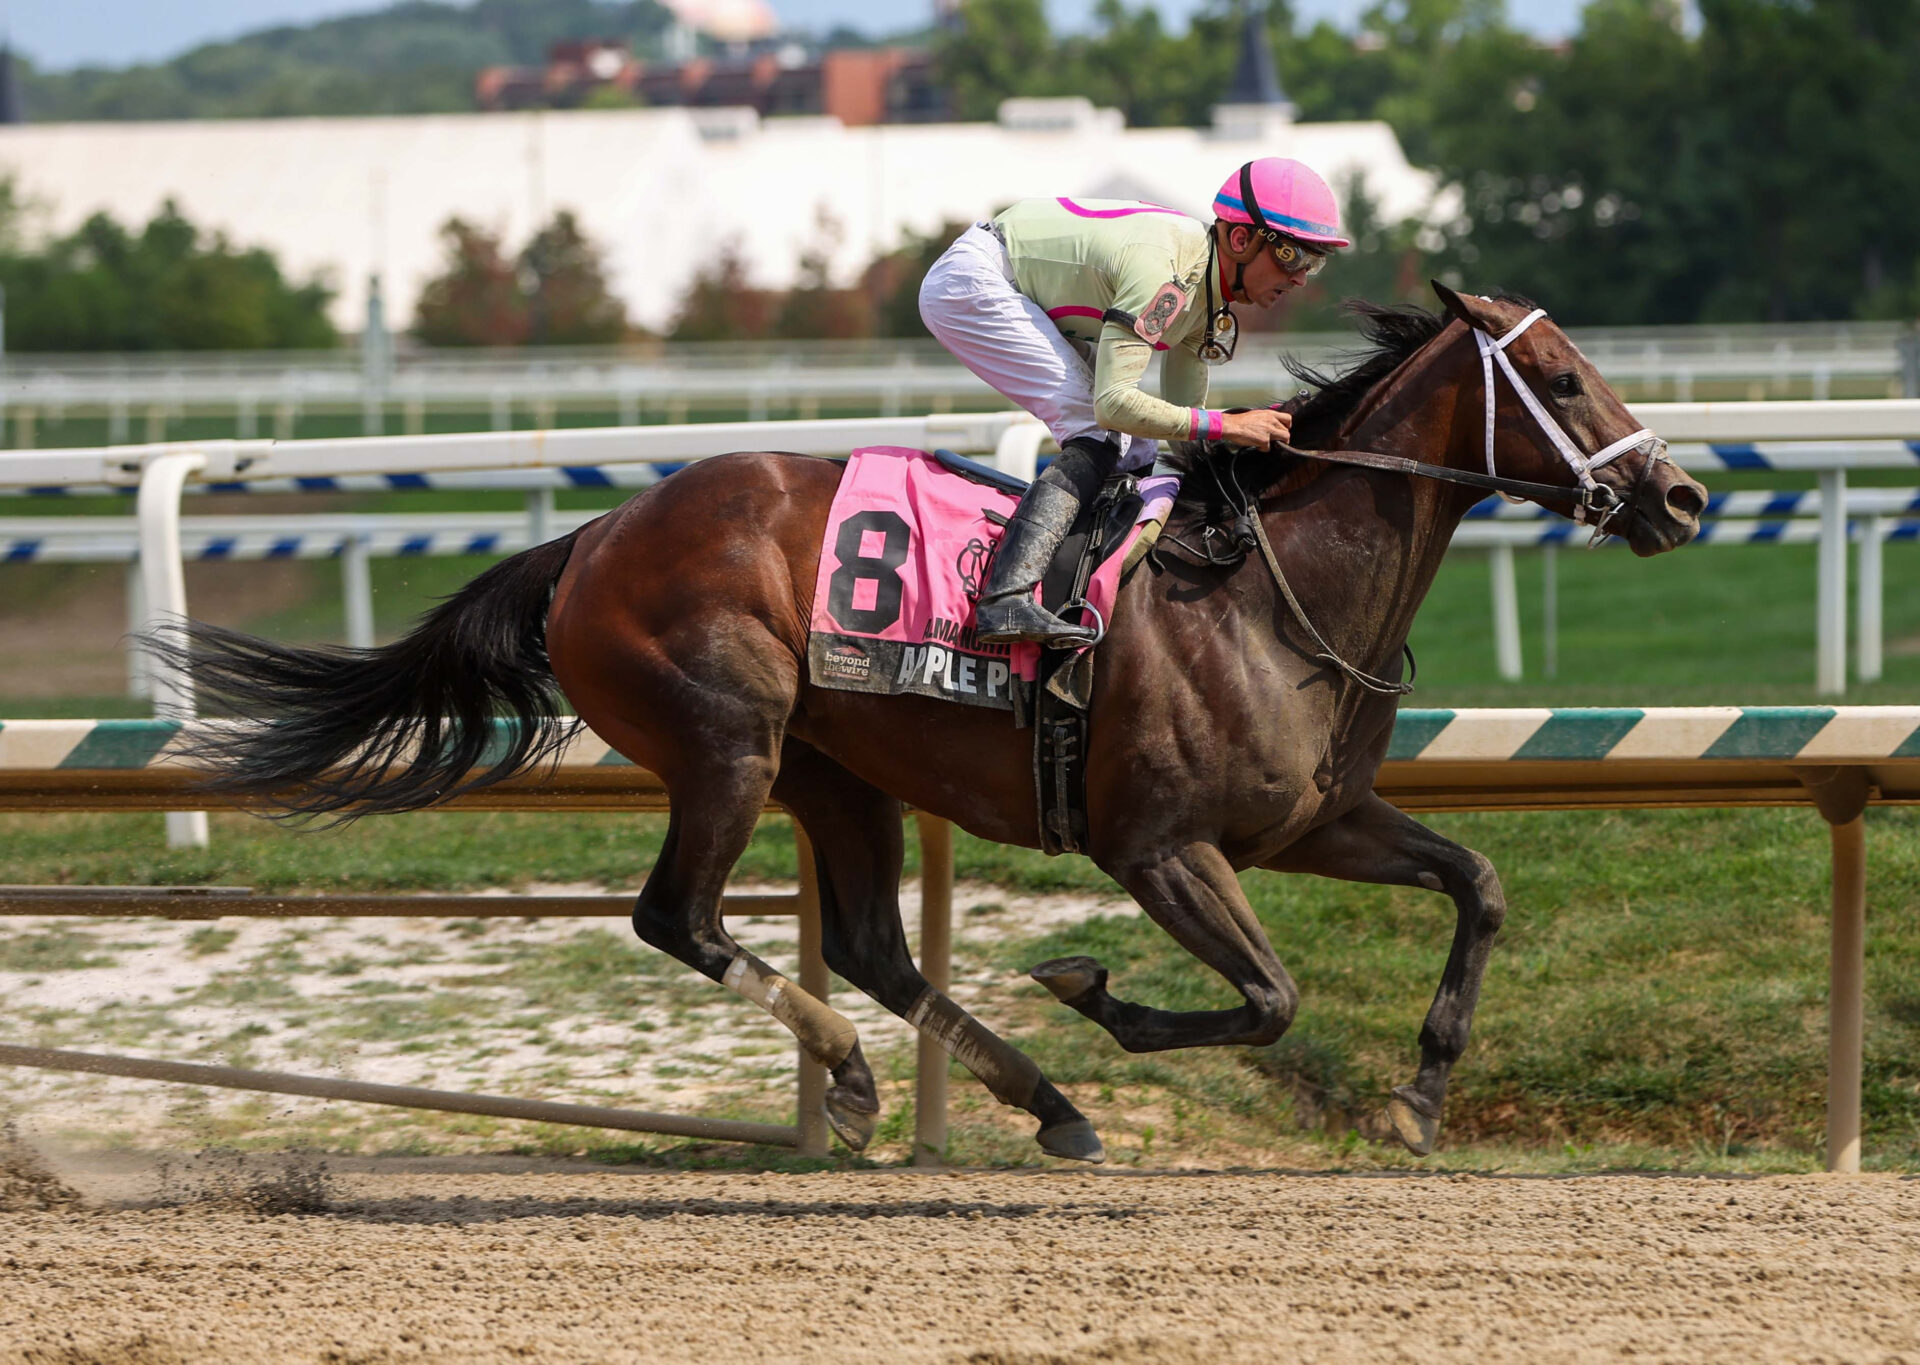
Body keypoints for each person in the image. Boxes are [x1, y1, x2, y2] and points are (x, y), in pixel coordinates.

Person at [918, 157, 1349, 648]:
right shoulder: (1169, 273)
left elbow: (1185, 435)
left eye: (1314, 263)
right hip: (975, 281)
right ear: (1239, 239)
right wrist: (1229, 425)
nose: (1301, 278)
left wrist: (1243, 435)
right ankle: (1006, 597)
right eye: (1293, 256)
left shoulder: (1206, 294)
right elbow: (1115, 405)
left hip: (1015, 281)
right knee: (1098, 429)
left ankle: (1094, 586)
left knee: (1137, 448)